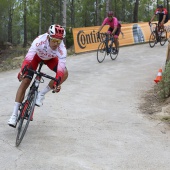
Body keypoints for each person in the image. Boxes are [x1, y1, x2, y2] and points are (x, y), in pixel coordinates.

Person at [8, 24, 68, 128]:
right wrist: (22, 71)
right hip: (36, 57)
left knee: (65, 74)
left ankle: (41, 94)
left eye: (59, 41)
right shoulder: (39, 40)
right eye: (54, 40)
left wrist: (57, 82)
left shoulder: (62, 48)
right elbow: (28, 59)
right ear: (48, 37)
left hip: (50, 60)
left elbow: (61, 70)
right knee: (26, 81)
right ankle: (14, 115)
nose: (56, 43)